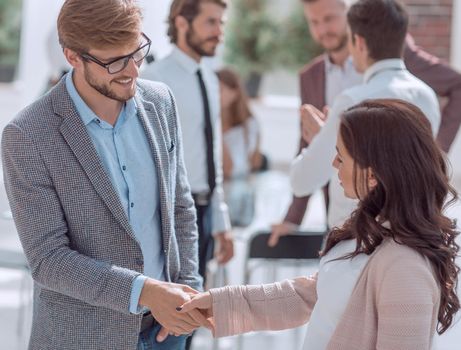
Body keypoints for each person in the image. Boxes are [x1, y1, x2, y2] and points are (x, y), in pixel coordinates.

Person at [1, 1, 208, 349]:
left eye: (136, 52)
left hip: (166, 331)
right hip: (83, 337)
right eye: (114, 61)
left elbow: (180, 208)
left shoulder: (161, 103)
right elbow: (48, 259)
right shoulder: (29, 135)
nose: (133, 71)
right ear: (73, 57)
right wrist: (144, 291)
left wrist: (188, 289)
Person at [179, 99, 461, 350]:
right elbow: (311, 295)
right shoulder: (371, 231)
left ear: (372, 174)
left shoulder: (405, 267)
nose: (334, 163)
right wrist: (217, 303)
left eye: (341, 155)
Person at [269, 0, 461, 247]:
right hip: (411, 241)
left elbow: (302, 180)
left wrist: (323, 138)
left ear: (358, 42)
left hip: (358, 243)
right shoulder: (425, 96)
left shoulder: (352, 101)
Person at [141, 1, 233, 348]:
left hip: (205, 213)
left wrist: (221, 221)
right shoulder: (154, 79)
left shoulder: (209, 77)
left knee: (193, 313)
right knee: (167, 315)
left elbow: (210, 152)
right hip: (173, 214)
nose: (219, 32)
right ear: (182, 22)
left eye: (221, 23)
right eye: (211, 22)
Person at [217, 68, 267, 227]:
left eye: (221, 89)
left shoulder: (248, 126)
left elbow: (230, 168)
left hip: (234, 194)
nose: (216, 93)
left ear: (234, 93)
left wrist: (215, 127)